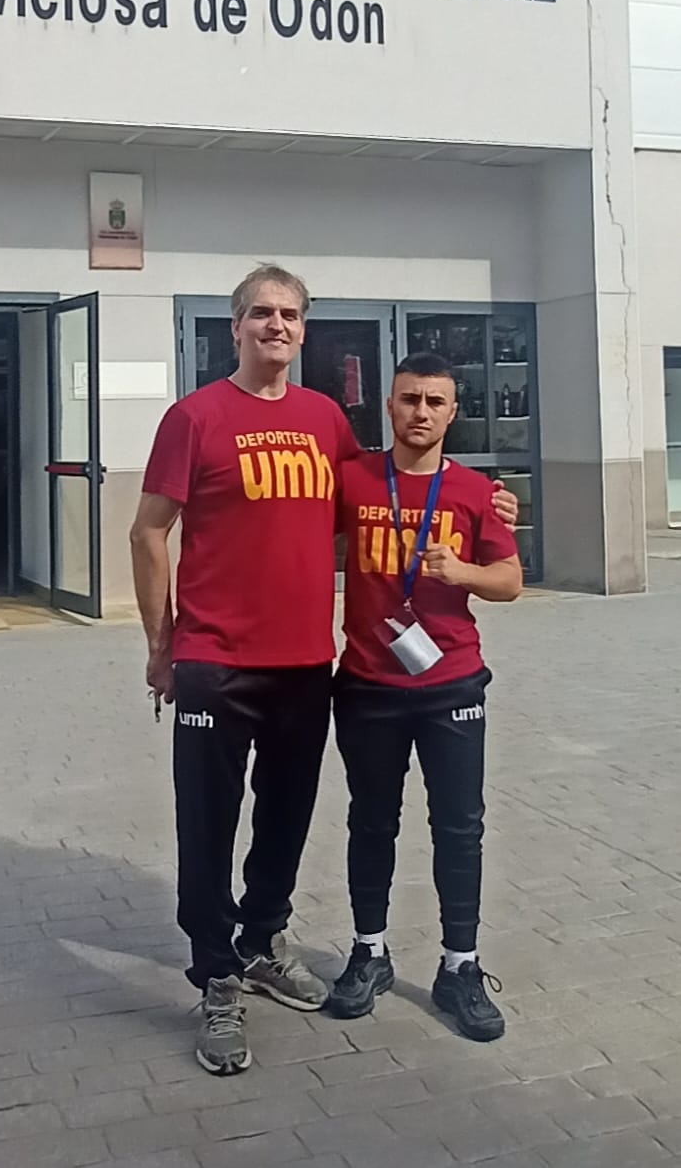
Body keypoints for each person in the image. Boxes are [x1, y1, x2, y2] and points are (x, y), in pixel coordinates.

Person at [130, 269, 516, 1074]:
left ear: (303, 329)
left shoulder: (324, 420)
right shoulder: (194, 417)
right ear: (234, 326)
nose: (275, 324)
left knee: (285, 818)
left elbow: (386, 489)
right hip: (213, 660)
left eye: (289, 314)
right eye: (260, 313)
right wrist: (162, 646)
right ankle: (216, 978)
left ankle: (262, 939)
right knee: (206, 824)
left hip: (307, 662)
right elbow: (147, 532)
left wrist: (487, 502)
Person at [324, 353, 522, 1041]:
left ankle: (459, 965)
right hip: (367, 684)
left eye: (435, 402)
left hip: (451, 685)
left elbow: (509, 580)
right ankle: (368, 951)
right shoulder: (353, 478)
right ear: (389, 405)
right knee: (371, 821)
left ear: (453, 412)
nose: (421, 412)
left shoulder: (474, 491)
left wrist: (461, 570)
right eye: (409, 399)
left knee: (459, 826)